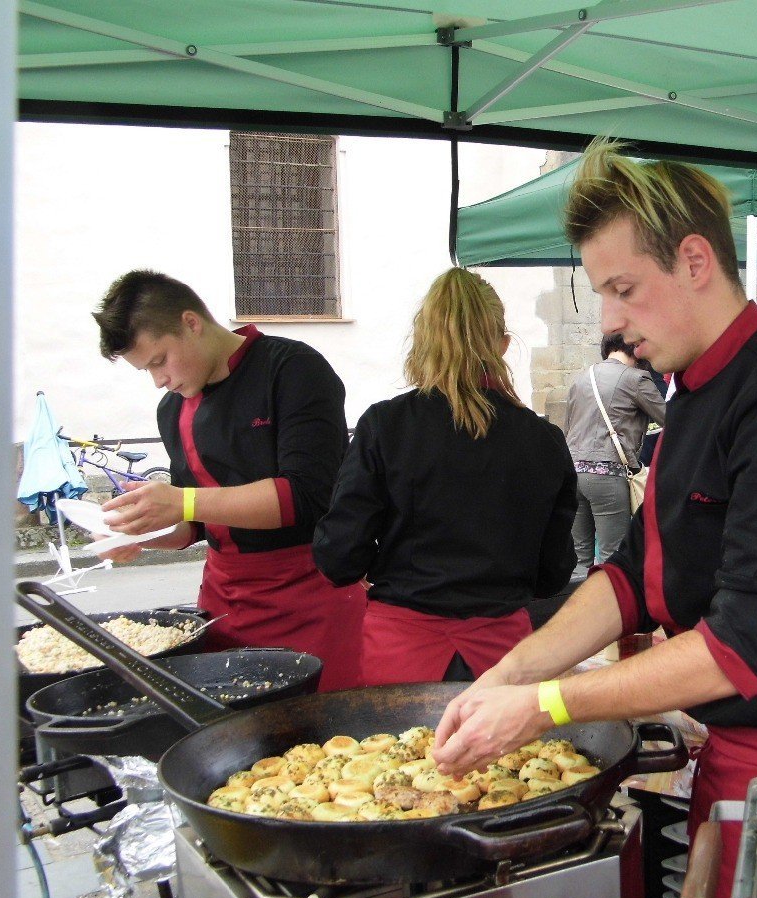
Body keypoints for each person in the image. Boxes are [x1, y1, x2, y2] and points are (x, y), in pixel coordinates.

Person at [431, 140, 757, 898]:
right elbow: (630, 578)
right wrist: (509, 672)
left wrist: (544, 706)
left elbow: (741, 647)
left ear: (693, 260)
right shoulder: (693, 396)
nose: (609, 320)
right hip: (737, 764)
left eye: (623, 289)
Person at [91, 269, 366, 690]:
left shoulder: (292, 369)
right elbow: (195, 525)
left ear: (191, 323)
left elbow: (306, 495)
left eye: (159, 360)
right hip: (225, 601)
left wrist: (181, 501)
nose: (159, 380)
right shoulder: (173, 409)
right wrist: (142, 533)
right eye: (146, 370)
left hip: (313, 594)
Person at [313, 268, 577, 684]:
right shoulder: (543, 440)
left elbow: (339, 558)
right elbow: (553, 575)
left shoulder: (386, 426)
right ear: (504, 345)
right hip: (504, 661)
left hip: (400, 655)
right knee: (510, 754)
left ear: (422, 341)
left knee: (391, 752)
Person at [563, 333, 666, 580]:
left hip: (574, 474)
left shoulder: (580, 379)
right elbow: (669, 419)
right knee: (612, 559)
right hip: (607, 476)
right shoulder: (637, 378)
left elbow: (568, 429)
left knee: (579, 561)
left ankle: (579, 614)